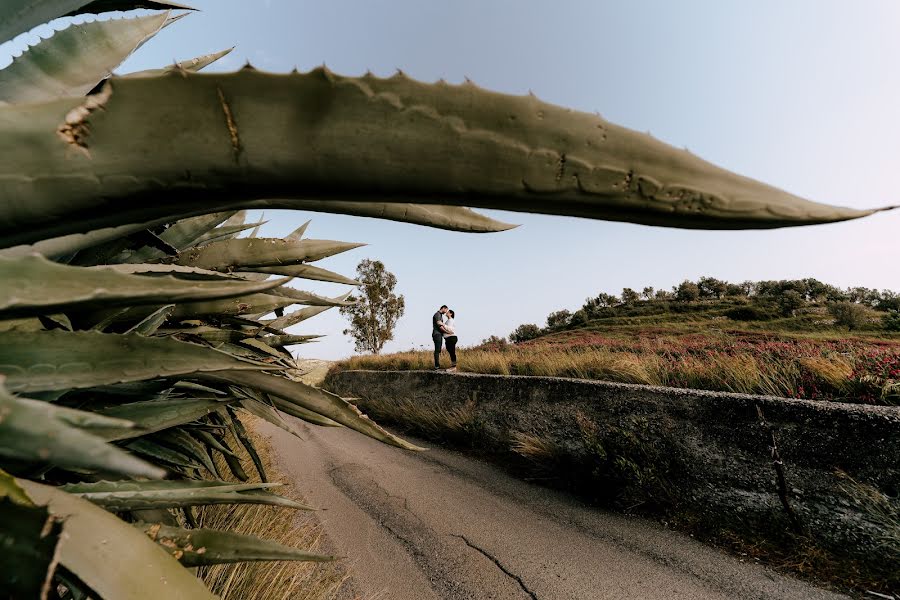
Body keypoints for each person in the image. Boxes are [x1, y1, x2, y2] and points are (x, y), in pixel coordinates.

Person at [432, 305, 448, 369]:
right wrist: (447, 332)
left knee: (438, 350)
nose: (446, 311)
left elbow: (441, 324)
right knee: (437, 350)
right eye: (446, 310)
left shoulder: (440, 315)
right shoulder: (438, 314)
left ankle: (437, 365)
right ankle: (437, 366)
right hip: (437, 334)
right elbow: (439, 324)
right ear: (443, 308)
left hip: (438, 334)